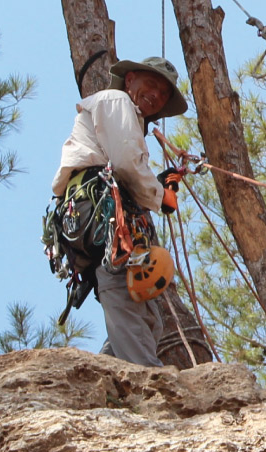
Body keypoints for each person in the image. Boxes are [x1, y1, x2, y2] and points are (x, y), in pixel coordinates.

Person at [50, 56, 188, 367]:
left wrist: (158, 185)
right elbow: (126, 162)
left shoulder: (127, 118)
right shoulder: (115, 100)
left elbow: (126, 164)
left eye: (164, 94)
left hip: (99, 217)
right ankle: (147, 383)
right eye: (150, 84)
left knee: (150, 315)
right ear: (129, 81)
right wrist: (159, 196)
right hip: (99, 214)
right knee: (122, 290)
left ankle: (107, 373)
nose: (156, 95)